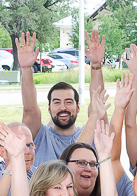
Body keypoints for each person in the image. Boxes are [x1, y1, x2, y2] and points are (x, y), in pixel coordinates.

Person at [15, 32, 100, 166]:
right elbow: (30, 110)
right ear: (49, 108)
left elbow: (97, 103)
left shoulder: (89, 132)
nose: (63, 107)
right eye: (57, 102)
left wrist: (95, 64)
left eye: (68, 102)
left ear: (78, 107)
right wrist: (26, 68)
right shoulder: (40, 135)